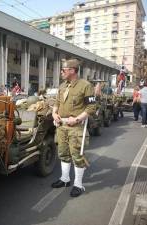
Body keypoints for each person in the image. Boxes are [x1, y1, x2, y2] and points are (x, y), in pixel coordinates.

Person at [51, 59, 96, 197]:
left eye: (63, 70)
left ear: (72, 70)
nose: (61, 72)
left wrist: (77, 119)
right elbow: (57, 103)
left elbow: (91, 107)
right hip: (61, 125)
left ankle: (78, 184)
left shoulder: (85, 85)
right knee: (63, 153)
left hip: (76, 126)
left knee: (77, 155)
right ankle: (65, 179)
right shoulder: (62, 86)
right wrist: (54, 114)